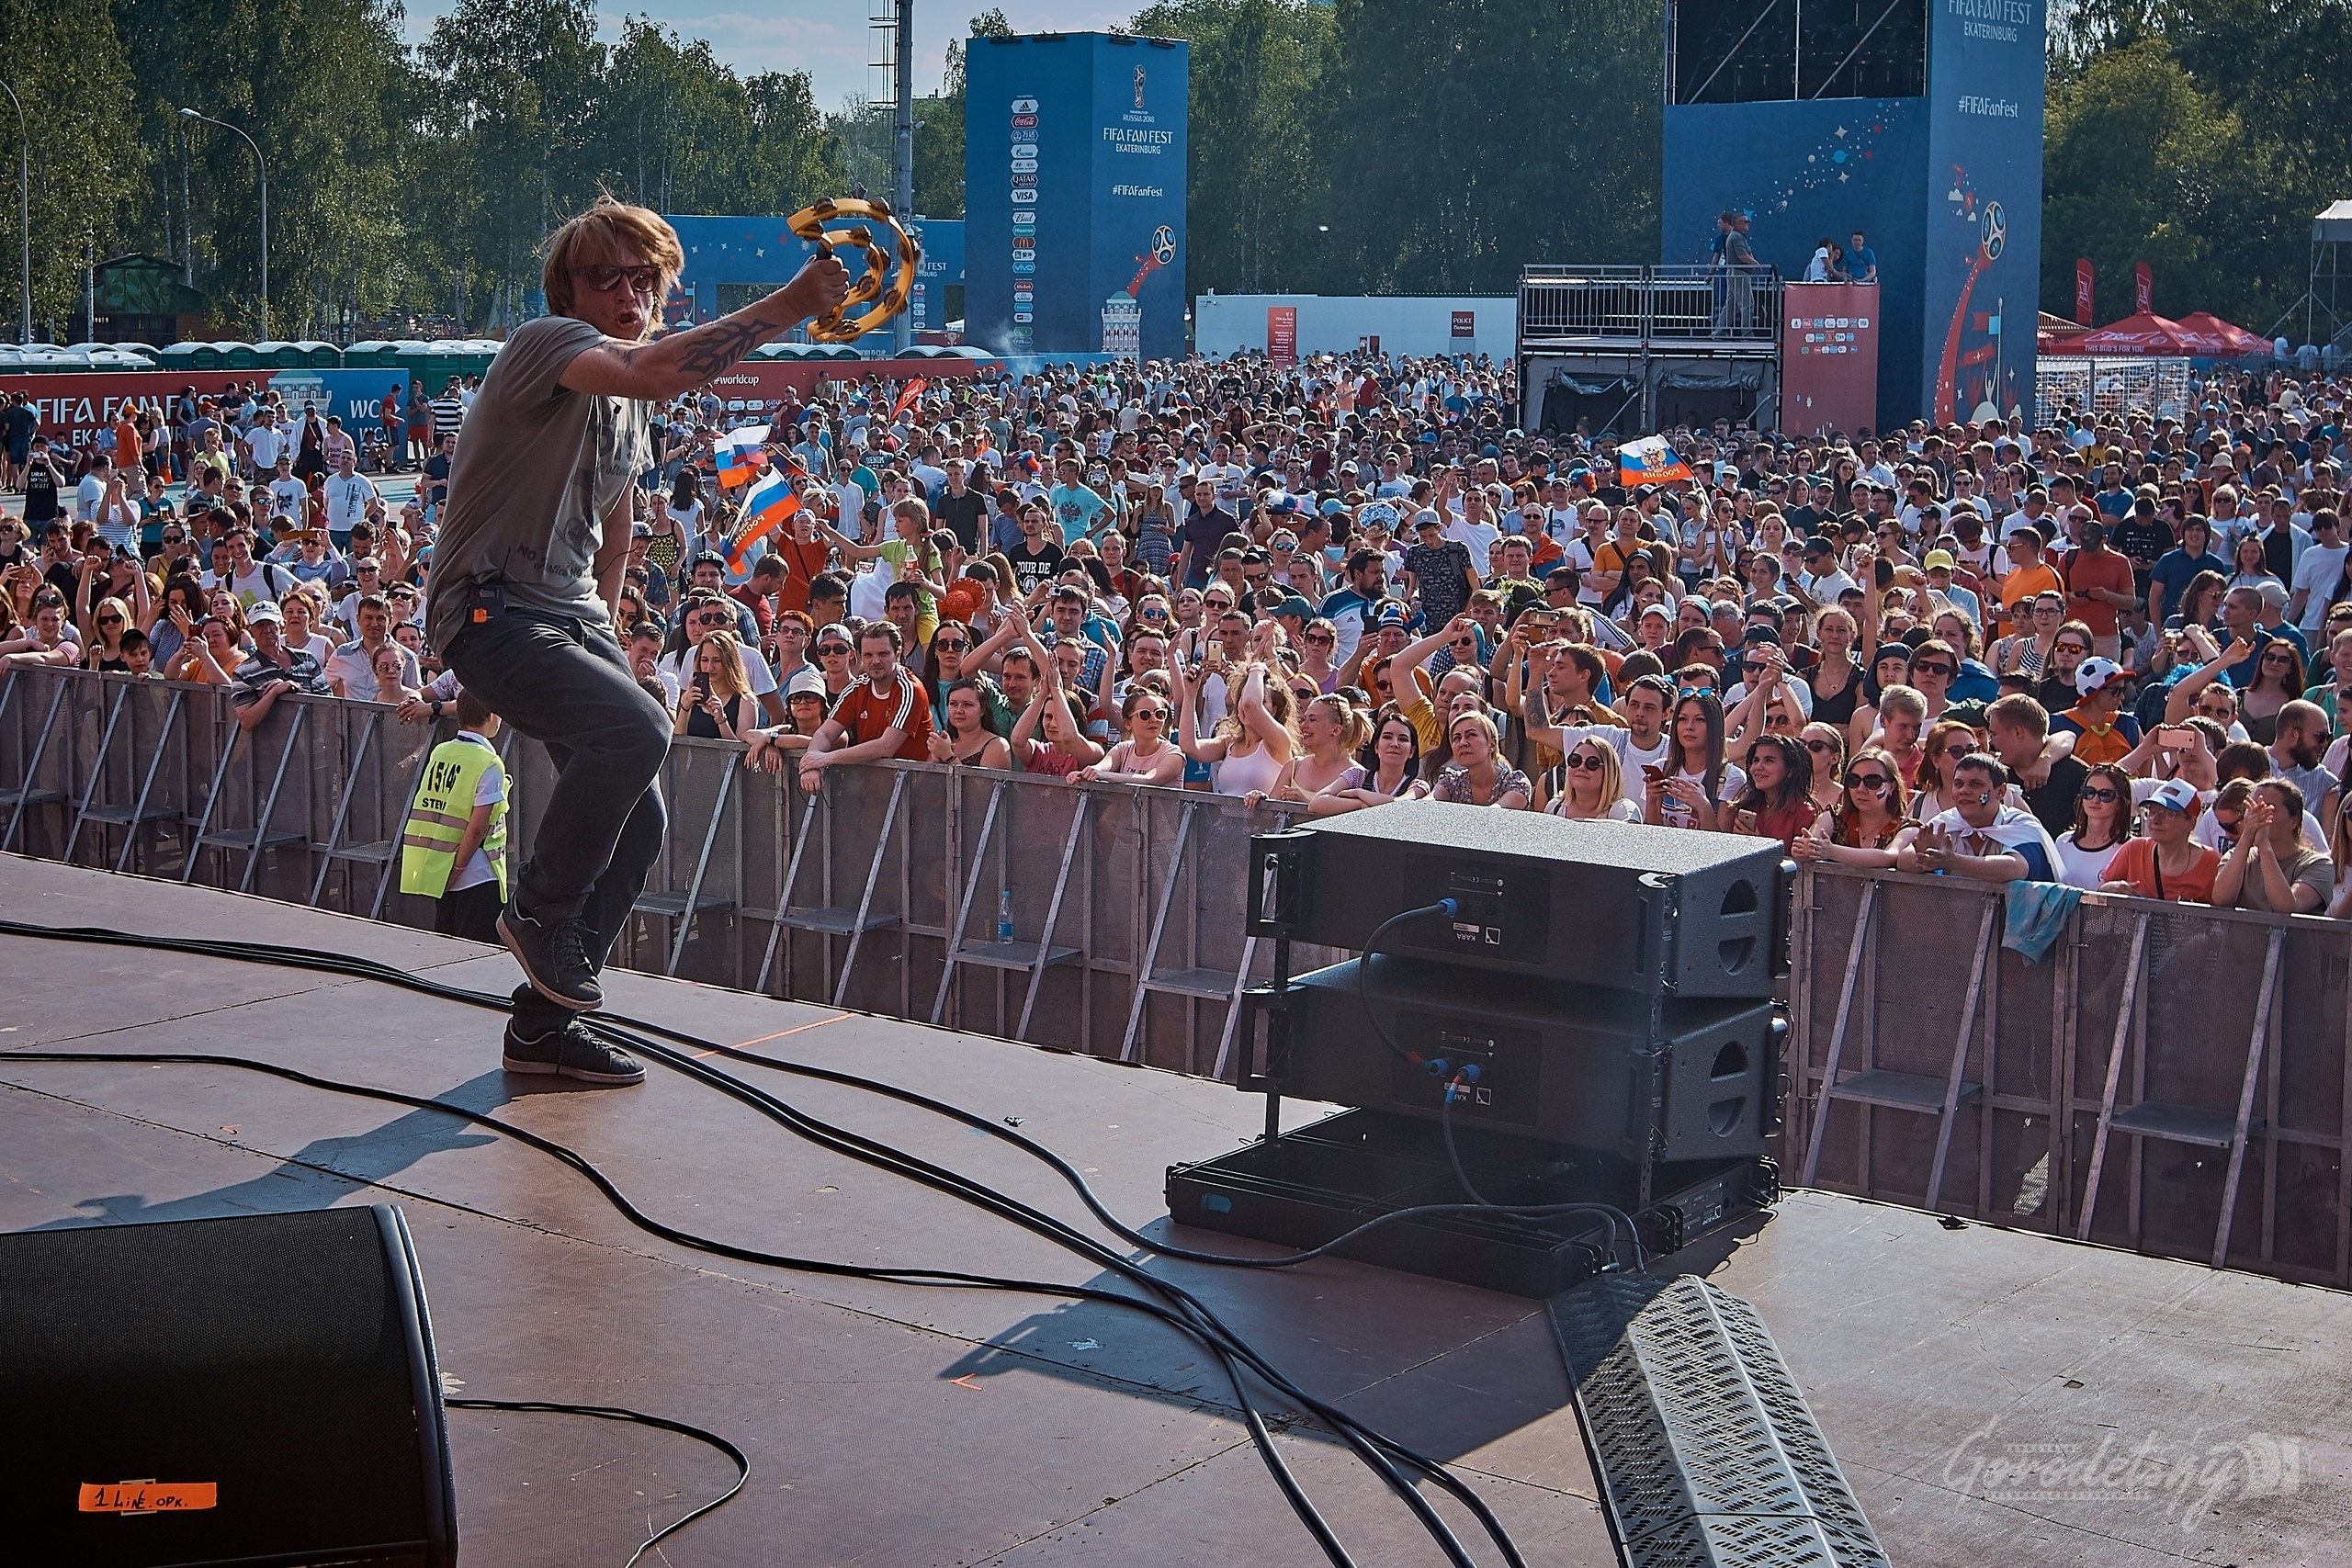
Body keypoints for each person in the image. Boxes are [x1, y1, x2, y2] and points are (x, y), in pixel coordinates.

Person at [423, 195, 847, 1083]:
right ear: (566, 291)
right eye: (602, 275)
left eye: (642, 276)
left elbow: (615, 538)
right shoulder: (549, 346)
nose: (625, 290)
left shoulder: (627, 408)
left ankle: (540, 1028)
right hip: (492, 605)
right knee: (643, 732)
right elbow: (657, 372)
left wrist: (598, 656)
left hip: (565, 615)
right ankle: (536, 910)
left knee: (641, 814)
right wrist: (788, 306)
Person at [396, 691, 509, 942]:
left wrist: (447, 876)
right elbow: (477, 828)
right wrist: (457, 869)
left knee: (446, 951)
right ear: (491, 716)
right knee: (477, 957)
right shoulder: (489, 763)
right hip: (477, 875)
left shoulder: (440, 752)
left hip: (441, 871)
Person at [2211, 778, 2334, 914]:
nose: (2257, 815)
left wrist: (2264, 846)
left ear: (2294, 821)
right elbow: (2221, 898)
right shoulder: (2237, 856)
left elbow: (2287, 907)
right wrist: (2246, 839)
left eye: (2267, 808)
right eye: (2252, 808)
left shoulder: (2319, 865)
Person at [2100, 778, 2222, 902]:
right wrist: (2108, 890)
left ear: (2191, 823)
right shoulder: (2134, 849)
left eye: (2169, 814)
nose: (2156, 820)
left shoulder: (2213, 863)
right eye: (2152, 812)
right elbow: (2099, 894)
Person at [2054, 763, 2134, 889]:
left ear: (2121, 802)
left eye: (2105, 795)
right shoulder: (2062, 842)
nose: (2095, 800)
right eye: (2089, 792)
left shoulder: (2131, 848)